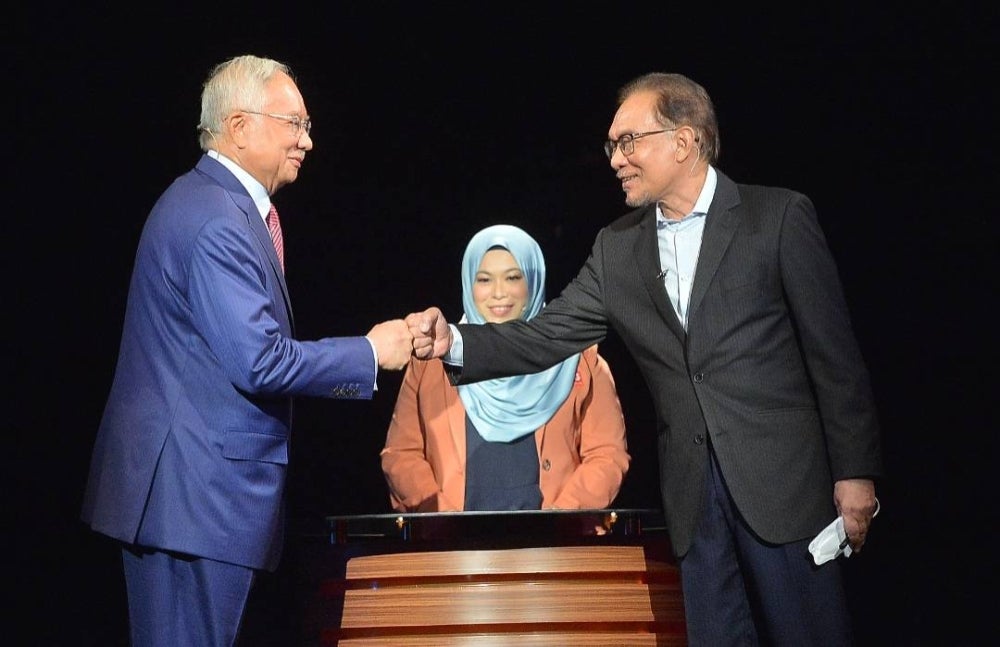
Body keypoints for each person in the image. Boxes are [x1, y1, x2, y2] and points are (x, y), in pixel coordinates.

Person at [409, 72, 883, 645]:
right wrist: (455, 343)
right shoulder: (618, 246)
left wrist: (854, 473)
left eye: (628, 141)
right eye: (613, 145)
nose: (615, 159)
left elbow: (834, 356)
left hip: (784, 491)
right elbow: (548, 335)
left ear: (683, 142)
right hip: (694, 505)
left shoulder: (777, 218)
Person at [80, 54, 413, 647]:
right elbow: (259, 361)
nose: (307, 142)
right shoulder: (215, 219)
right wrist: (369, 352)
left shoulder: (213, 204)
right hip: (191, 502)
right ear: (240, 127)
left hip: (189, 501)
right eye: (295, 124)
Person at [381, 225, 629, 512]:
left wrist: (558, 519)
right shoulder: (431, 364)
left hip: (551, 547)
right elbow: (401, 455)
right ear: (467, 284)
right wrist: (444, 518)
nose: (498, 293)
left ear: (533, 281)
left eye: (513, 277)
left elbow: (607, 456)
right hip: (452, 546)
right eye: (484, 279)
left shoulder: (580, 360)